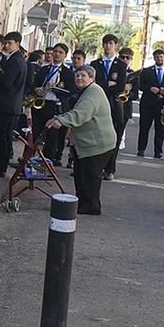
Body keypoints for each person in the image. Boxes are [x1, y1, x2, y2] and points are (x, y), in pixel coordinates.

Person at [47, 64, 116, 215]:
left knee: (89, 176)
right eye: (77, 75)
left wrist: (61, 122)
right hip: (86, 143)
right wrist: (58, 118)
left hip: (97, 143)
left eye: (83, 76)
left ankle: (91, 206)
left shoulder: (94, 92)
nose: (79, 78)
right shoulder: (87, 91)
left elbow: (81, 114)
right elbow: (75, 111)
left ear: (92, 78)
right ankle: (83, 203)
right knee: (81, 174)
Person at [0, 32, 29, 176]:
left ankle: (0, 167)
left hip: (6, 105)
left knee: (1, 137)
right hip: (8, 104)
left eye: (10, 43)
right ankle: (0, 165)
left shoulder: (16, 60)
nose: (6, 46)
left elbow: (7, 82)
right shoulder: (15, 59)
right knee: (2, 136)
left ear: (17, 43)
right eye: (6, 43)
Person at [134, 48, 164, 158]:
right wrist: (149, 88)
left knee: (160, 129)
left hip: (162, 104)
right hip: (148, 103)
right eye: (157, 57)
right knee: (144, 128)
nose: (159, 59)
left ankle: (158, 151)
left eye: (161, 56)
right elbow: (140, 85)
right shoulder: (147, 71)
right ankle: (141, 149)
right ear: (154, 58)